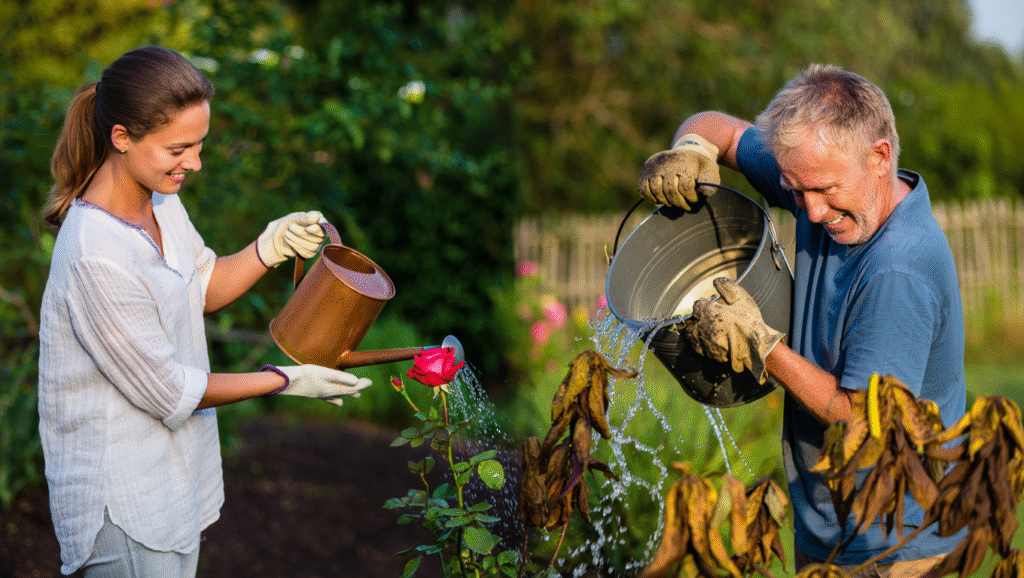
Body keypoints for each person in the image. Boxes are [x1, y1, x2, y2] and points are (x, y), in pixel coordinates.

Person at [38, 45, 373, 577]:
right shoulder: (94, 254)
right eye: (179, 148)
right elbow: (169, 391)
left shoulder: (161, 200)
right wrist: (285, 380)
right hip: (122, 500)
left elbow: (200, 286)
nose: (194, 163)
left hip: (169, 479)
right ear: (121, 137)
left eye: (199, 144)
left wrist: (270, 246)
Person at [637, 64, 966, 576]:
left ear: (880, 157)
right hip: (829, 518)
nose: (810, 212)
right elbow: (723, 130)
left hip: (892, 540)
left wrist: (760, 344)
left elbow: (862, 421)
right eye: (795, 191)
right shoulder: (819, 174)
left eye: (824, 190)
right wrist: (693, 147)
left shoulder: (898, 269)